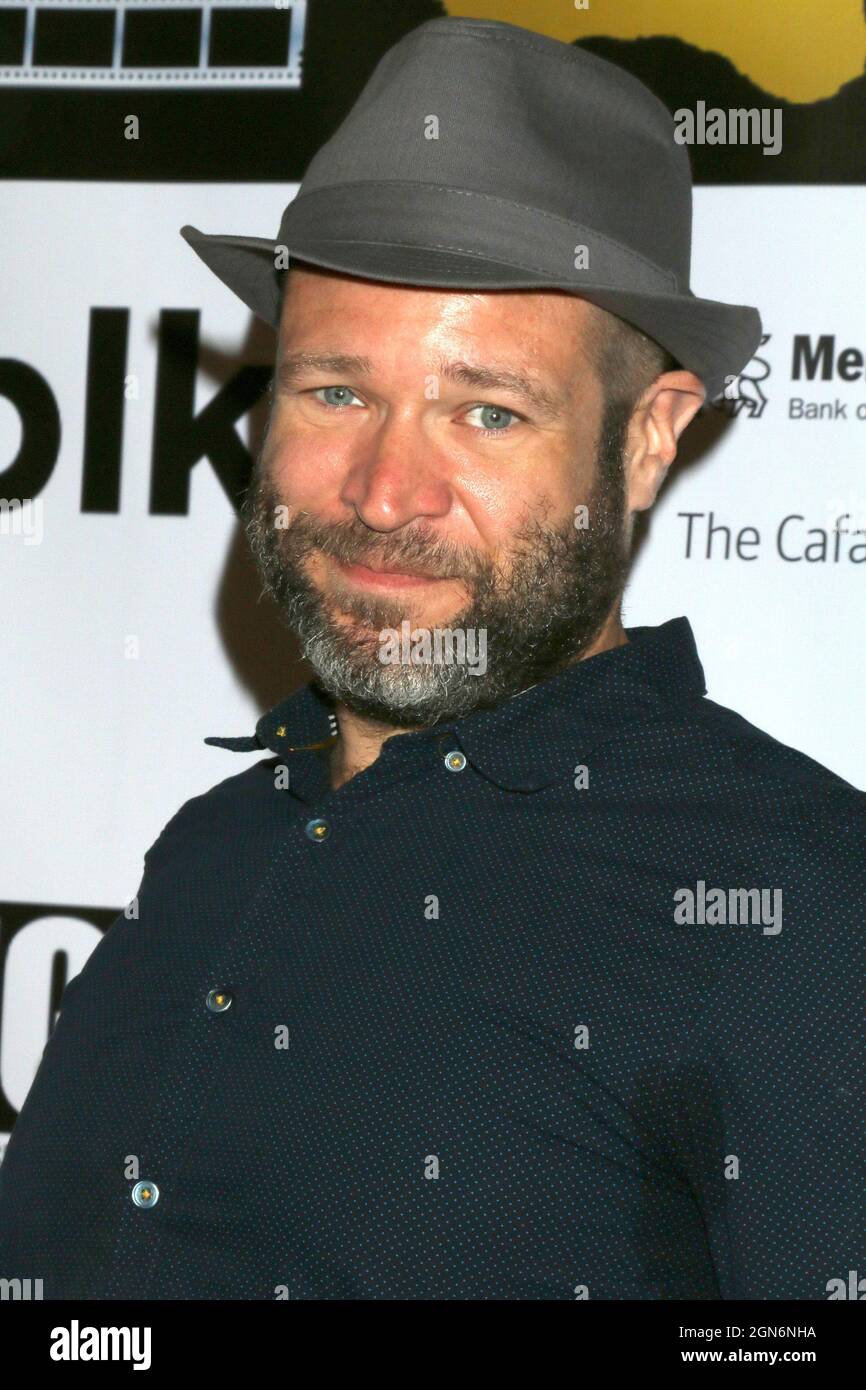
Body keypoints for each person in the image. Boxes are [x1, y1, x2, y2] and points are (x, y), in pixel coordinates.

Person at [0, 16, 862, 1301]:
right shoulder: (209, 851)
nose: (385, 489)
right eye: (334, 391)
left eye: (487, 411)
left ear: (646, 440)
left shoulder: (798, 905)